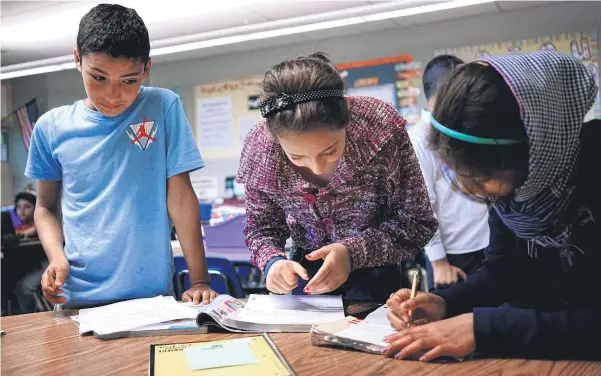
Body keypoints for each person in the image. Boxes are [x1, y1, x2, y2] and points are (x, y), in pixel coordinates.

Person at [384, 50, 601, 361]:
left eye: (483, 178)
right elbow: (501, 272)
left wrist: (484, 327)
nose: (479, 192)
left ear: (535, 146)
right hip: (533, 356)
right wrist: (446, 303)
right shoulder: (515, 188)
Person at [25, 4, 216, 308]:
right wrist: (56, 257)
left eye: (129, 81)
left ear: (147, 69)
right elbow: (45, 207)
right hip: (79, 298)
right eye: (98, 78)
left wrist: (200, 280)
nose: (113, 96)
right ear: (77, 59)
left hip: (151, 297)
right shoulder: (51, 127)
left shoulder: (162, 106)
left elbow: (180, 198)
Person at [237, 53, 437, 302]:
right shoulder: (261, 152)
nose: (317, 168)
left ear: (347, 122)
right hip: (305, 277)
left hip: (380, 274)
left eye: (330, 151)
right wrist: (273, 262)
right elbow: (261, 229)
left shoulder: (380, 130)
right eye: (297, 157)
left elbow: (417, 221)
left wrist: (352, 252)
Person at [408, 55, 489, 291]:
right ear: (446, 90)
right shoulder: (418, 139)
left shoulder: (462, 127)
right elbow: (422, 206)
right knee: (453, 321)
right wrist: (439, 261)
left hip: (486, 244)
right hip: (454, 255)